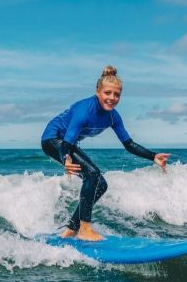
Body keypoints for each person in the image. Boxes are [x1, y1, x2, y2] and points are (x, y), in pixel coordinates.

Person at [41, 66, 170, 241]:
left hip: (66, 144)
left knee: (101, 185)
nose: (112, 98)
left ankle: (71, 229)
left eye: (116, 95)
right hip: (53, 140)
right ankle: (85, 229)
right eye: (107, 93)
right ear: (97, 92)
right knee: (93, 175)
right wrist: (66, 159)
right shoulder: (84, 111)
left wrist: (153, 156)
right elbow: (67, 142)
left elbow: (128, 143)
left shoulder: (113, 117)